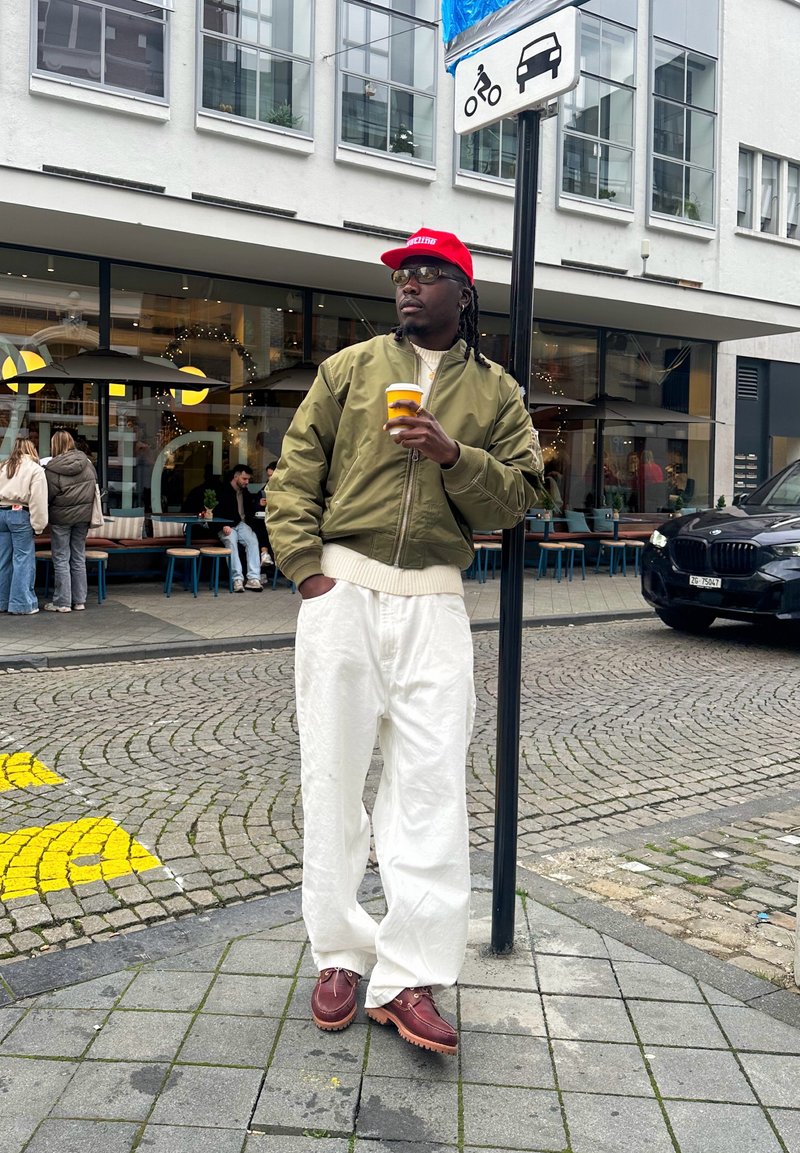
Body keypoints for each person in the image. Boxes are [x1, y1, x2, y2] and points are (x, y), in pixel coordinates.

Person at [267, 228, 541, 1056]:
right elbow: (294, 472)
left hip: (434, 602)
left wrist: (453, 455)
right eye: (402, 275)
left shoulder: (496, 391)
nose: (409, 285)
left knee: (429, 790)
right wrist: (307, 570)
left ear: (465, 293)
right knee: (332, 779)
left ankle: (408, 977)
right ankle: (340, 954)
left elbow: (520, 495)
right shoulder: (349, 370)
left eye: (428, 273)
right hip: (343, 592)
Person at [43, 430, 97, 612]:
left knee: (61, 558)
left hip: (61, 518)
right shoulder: (87, 464)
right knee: (78, 557)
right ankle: (79, 601)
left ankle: (63, 602)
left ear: (55, 445)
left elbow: (48, 496)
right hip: (83, 517)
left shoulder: (51, 469)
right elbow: (93, 488)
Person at [0, 437, 48, 616]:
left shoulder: (3, 466)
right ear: (32, 449)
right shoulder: (35, 469)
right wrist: (39, 526)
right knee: (23, 560)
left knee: (3, 560)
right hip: (20, 514)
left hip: (1, 513)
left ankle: (2, 601)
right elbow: (38, 500)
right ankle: (21, 603)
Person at [214, 463, 263, 592]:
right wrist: (222, 525)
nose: (247, 482)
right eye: (244, 479)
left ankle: (253, 578)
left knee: (252, 540)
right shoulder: (222, 490)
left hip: (240, 524)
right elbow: (215, 511)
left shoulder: (244, 492)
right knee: (231, 543)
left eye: (248, 479)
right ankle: (237, 579)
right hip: (226, 525)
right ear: (236, 477)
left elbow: (250, 509)